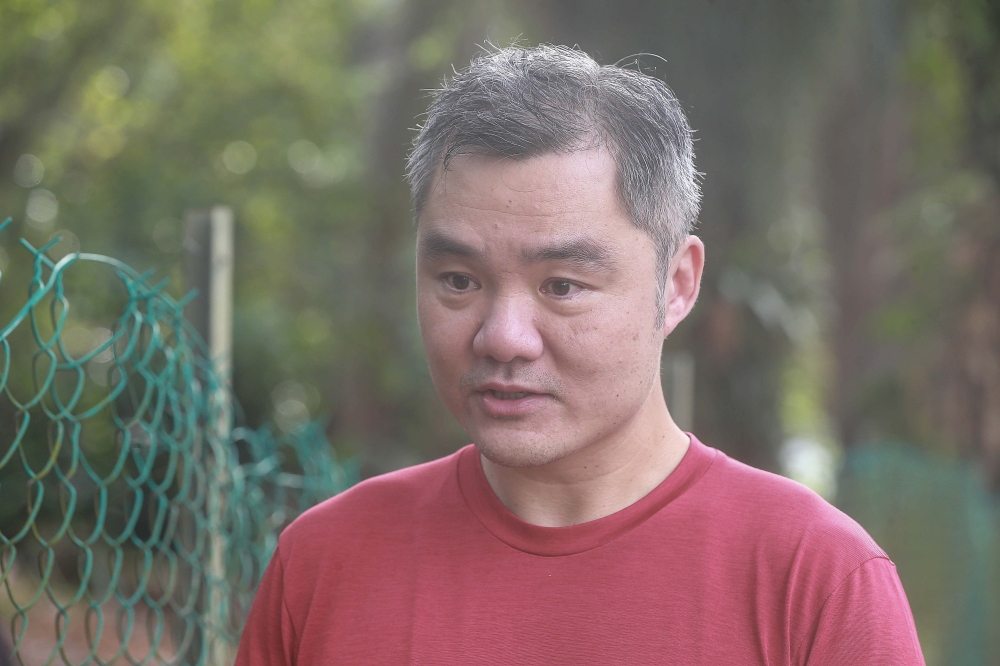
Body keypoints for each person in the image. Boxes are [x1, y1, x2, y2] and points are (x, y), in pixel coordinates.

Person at [235, 44, 924, 665]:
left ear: (676, 284)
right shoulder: (326, 564)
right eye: (459, 281)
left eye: (563, 286)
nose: (503, 336)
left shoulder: (815, 581)